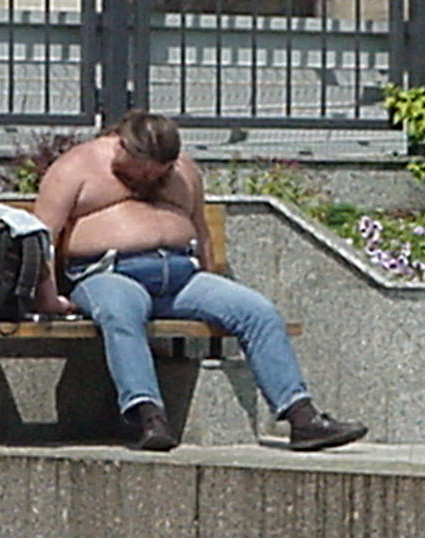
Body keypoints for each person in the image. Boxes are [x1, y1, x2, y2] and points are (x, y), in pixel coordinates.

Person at [31, 109, 368, 451]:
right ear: (122, 146)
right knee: (120, 311)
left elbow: (202, 232)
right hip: (109, 274)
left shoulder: (183, 170)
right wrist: (48, 297)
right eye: (143, 168)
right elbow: (41, 237)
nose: (150, 177)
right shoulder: (77, 166)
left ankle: (302, 417)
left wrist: (213, 282)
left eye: (161, 170)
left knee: (257, 311)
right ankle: (149, 416)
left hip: (182, 276)